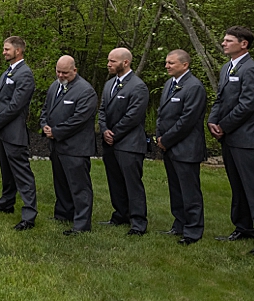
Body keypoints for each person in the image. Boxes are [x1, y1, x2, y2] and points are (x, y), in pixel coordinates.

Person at [207, 26, 254, 256]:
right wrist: (212, 121)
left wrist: (224, 126)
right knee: (237, 187)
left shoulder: (252, 70)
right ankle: (243, 227)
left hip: (247, 140)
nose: (223, 43)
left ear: (243, 44)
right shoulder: (227, 68)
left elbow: (247, 106)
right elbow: (220, 99)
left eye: (228, 40)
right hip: (229, 138)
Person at [0, 36, 38, 230]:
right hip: (0, 130)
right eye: (4, 49)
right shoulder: (7, 72)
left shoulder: (25, 74)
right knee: (6, 171)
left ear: (18, 51)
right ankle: (6, 203)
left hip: (13, 132)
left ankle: (29, 215)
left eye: (7, 49)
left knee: (22, 174)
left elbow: (16, 105)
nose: (4, 52)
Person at [40, 55, 97, 235]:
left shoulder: (85, 91)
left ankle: (81, 224)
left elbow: (79, 120)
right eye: (58, 71)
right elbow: (45, 109)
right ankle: (64, 213)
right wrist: (44, 125)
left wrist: (56, 131)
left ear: (74, 70)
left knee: (79, 187)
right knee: (61, 183)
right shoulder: (55, 85)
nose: (61, 75)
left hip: (75, 148)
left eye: (65, 72)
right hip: (56, 146)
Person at [155, 49, 207, 245]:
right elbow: (162, 114)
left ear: (185, 65)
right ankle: (179, 224)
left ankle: (193, 231)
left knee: (189, 191)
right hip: (169, 146)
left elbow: (187, 120)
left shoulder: (194, 87)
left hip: (186, 147)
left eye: (171, 63)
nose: (167, 66)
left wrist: (166, 139)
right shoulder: (170, 84)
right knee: (176, 189)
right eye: (167, 62)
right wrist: (160, 137)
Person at [97, 48, 150, 235]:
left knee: (132, 183)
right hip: (110, 142)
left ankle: (138, 222)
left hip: (129, 143)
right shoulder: (109, 84)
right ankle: (120, 214)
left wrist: (115, 133)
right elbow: (102, 110)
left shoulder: (138, 86)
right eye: (108, 60)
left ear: (125, 62)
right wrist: (104, 130)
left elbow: (133, 116)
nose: (108, 64)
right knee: (115, 181)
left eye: (112, 61)